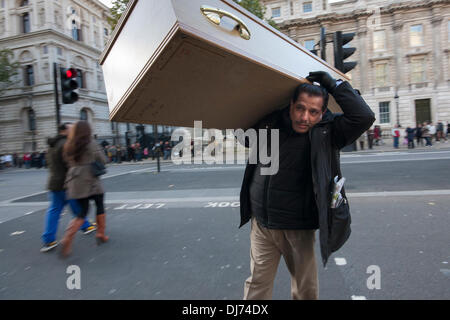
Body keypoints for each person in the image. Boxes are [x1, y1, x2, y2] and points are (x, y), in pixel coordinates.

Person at [238, 71, 375, 300]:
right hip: (262, 224)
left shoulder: (329, 133)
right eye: (300, 108)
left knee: (305, 291)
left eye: (313, 112)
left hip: (298, 228)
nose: (304, 117)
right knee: (256, 286)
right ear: (290, 106)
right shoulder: (272, 123)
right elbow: (244, 136)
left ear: (322, 113)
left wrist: (334, 84)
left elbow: (364, 117)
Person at [41, 123, 96, 252]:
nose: (73, 130)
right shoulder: (66, 144)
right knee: (78, 207)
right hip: (67, 183)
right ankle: (85, 225)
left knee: (55, 210)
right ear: (64, 131)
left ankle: (49, 240)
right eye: (71, 129)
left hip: (54, 182)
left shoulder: (52, 146)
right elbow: (71, 164)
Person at [60, 121, 109, 257]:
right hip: (90, 179)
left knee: (83, 211)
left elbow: (66, 160)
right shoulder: (91, 142)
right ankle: (101, 233)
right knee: (99, 204)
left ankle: (67, 238)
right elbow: (103, 159)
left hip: (75, 181)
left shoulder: (68, 144)